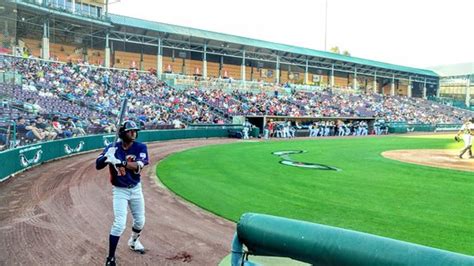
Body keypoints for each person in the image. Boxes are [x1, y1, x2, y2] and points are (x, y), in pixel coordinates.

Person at [96, 120, 149, 266]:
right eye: (130, 131)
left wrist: (120, 162)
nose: (134, 133)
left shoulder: (140, 147)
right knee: (119, 224)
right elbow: (97, 165)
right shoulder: (112, 147)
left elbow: (139, 166)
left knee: (140, 221)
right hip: (120, 190)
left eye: (135, 131)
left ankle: (133, 241)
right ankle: (110, 258)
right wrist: (106, 158)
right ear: (122, 133)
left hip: (135, 188)